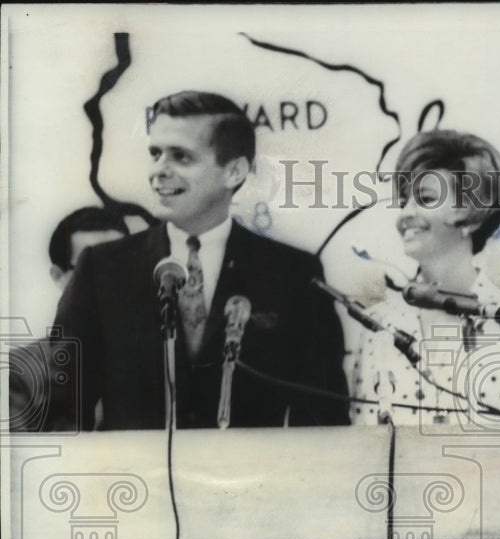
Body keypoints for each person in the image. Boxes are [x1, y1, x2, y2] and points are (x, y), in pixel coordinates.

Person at [44, 90, 349, 431]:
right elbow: (62, 412)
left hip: (253, 482)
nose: (158, 171)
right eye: (156, 154)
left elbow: (325, 418)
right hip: (135, 483)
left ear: (234, 171)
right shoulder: (101, 269)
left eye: (181, 157)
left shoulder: (293, 274)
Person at [349, 130, 500, 539]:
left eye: (425, 198)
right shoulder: (379, 328)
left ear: (472, 215)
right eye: (405, 199)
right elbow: (365, 472)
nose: (406, 214)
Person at [8, 207, 129, 432]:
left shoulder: (163, 360)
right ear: (58, 277)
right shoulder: (19, 374)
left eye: (121, 266)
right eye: (92, 268)